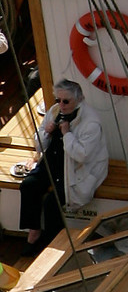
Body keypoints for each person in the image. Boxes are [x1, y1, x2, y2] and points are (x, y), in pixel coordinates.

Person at [18, 79, 108, 249]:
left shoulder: (91, 123)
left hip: (77, 169)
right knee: (28, 186)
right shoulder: (54, 112)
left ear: (79, 99)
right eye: (57, 100)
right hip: (53, 161)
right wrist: (47, 132)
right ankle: (34, 231)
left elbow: (82, 155)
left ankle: (53, 243)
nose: (61, 104)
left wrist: (67, 134)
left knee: (52, 202)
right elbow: (39, 144)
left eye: (66, 101)